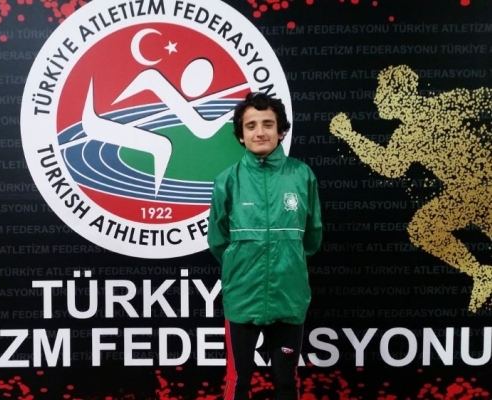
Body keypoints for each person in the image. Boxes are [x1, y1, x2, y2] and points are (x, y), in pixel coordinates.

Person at [329, 64, 492, 312]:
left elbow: (483, 98)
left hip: (481, 186)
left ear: (398, 93)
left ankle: (481, 274)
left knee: (424, 227)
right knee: (424, 228)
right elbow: (390, 166)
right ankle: (481, 274)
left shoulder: (435, 110)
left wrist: (349, 135)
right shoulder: (410, 130)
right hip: (466, 193)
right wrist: (350, 136)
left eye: (381, 92)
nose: (376, 99)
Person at [207, 92, 322, 400]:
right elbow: (218, 240)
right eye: (251, 126)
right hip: (242, 297)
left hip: (289, 296)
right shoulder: (227, 181)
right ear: (240, 136)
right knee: (238, 381)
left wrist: (289, 264)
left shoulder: (302, 175)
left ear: (281, 131)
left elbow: (312, 237)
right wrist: (240, 266)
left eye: (268, 124)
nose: (260, 132)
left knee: (286, 382)